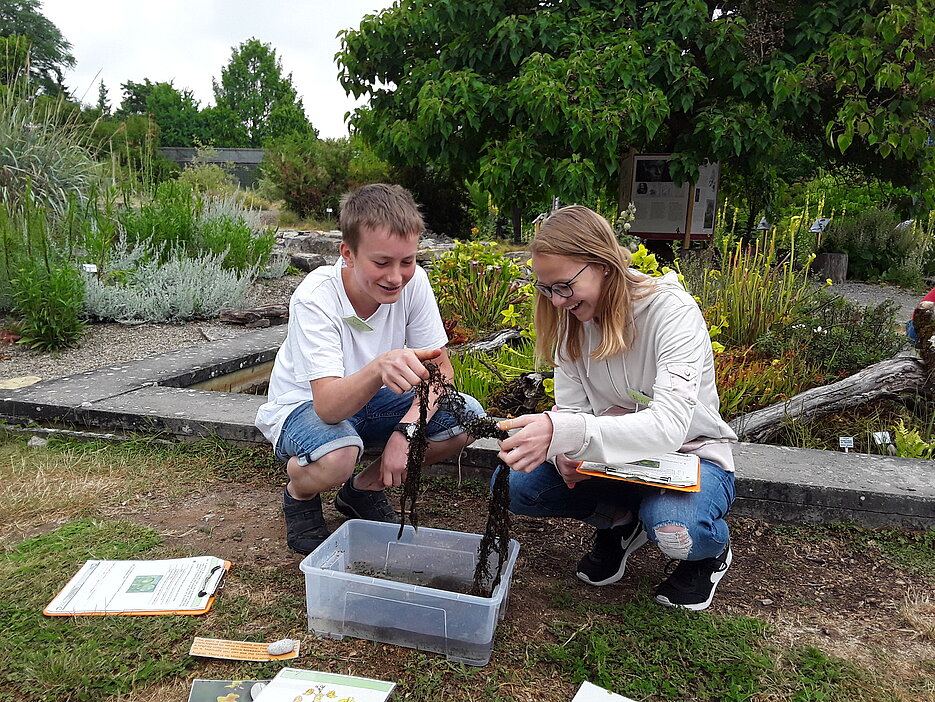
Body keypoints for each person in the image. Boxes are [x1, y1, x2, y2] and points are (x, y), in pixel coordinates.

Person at [495, 205, 737, 611]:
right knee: (517, 485)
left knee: (681, 531)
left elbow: (670, 427)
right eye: (547, 288)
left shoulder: (671, 312)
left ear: (603, 264)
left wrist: (570, 434)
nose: (555, 301)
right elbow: (572, 413)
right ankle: (620, 523)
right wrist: (564, 454)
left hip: (687, 456)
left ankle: (709, 554)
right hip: (612, 461)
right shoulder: (571, 324)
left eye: (564, 286)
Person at [255, 184, 484, 555]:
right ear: (348, 253)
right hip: (304, 405)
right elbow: (328, 406)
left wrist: (408, 431)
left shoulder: (415, 284)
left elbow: (441, 369)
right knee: (338, 453)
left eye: (407, 261)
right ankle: (299, 493)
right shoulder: (316, 298)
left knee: (466, 417)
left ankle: (362, 491)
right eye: (381, 263)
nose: (396, 277)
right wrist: (380, 367)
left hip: (375, 402)